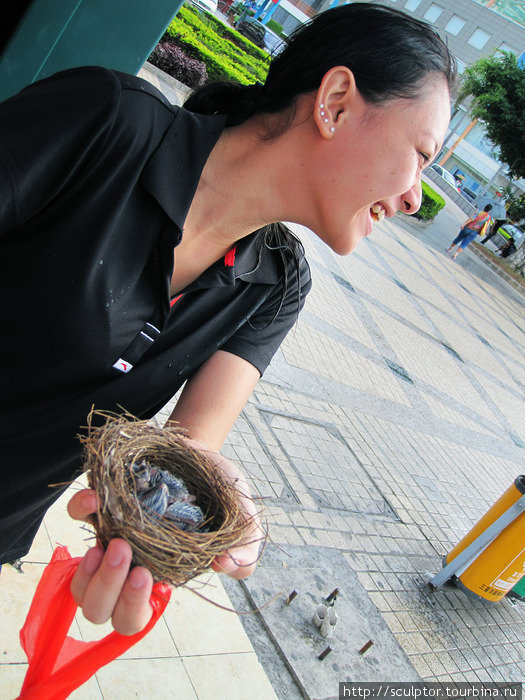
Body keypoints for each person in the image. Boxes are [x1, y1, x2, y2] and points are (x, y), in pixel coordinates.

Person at [0, 3, 454, 634]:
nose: (414, 196)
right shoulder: (106, 122)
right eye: (422, 155)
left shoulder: (277, 285)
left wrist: (196, 513)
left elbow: (188, 447)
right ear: (337, 102)